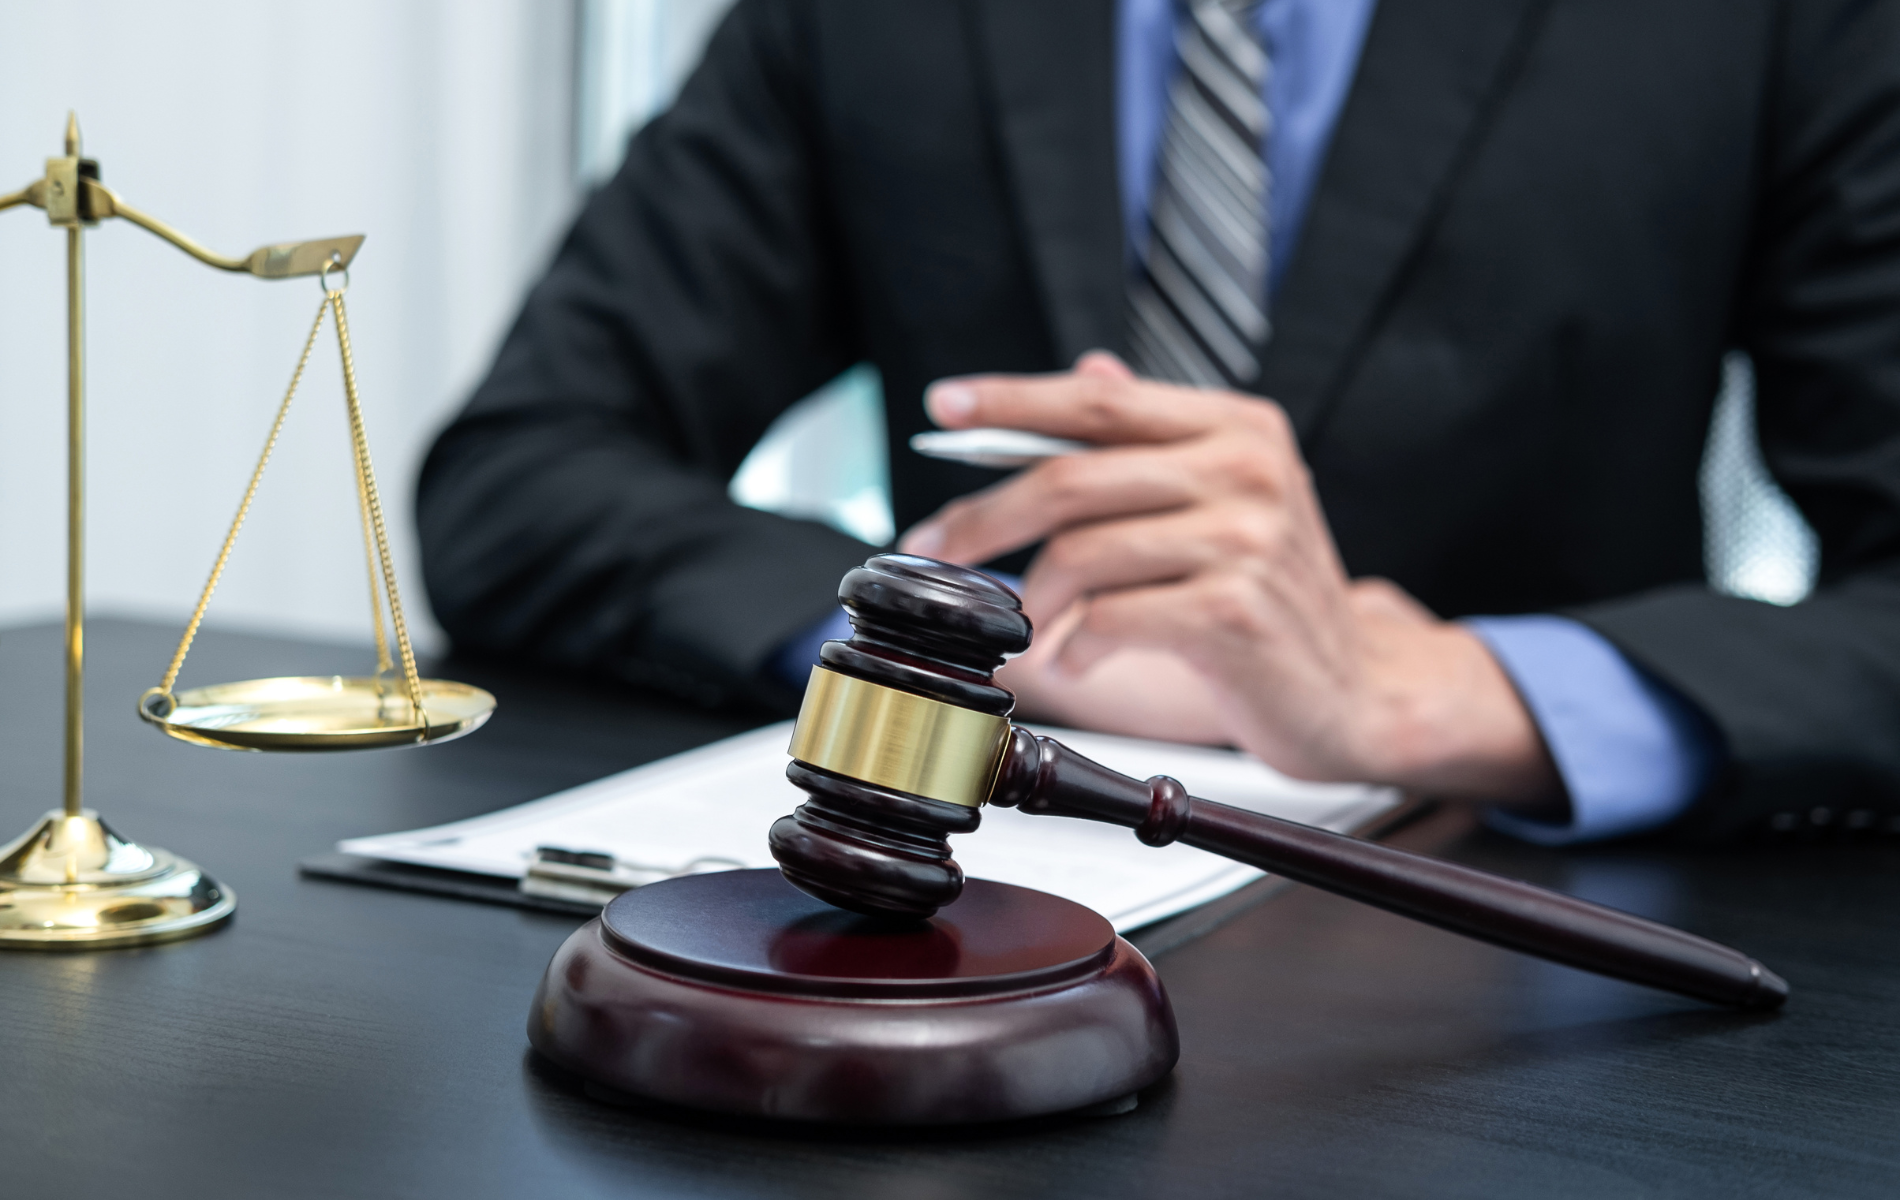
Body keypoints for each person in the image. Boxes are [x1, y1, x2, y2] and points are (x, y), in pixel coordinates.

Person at [418, 0, 1900, 843]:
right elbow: (521, 470)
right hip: (980, 937)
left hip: (1542, 973)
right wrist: (932, 649)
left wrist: (1449, 695)